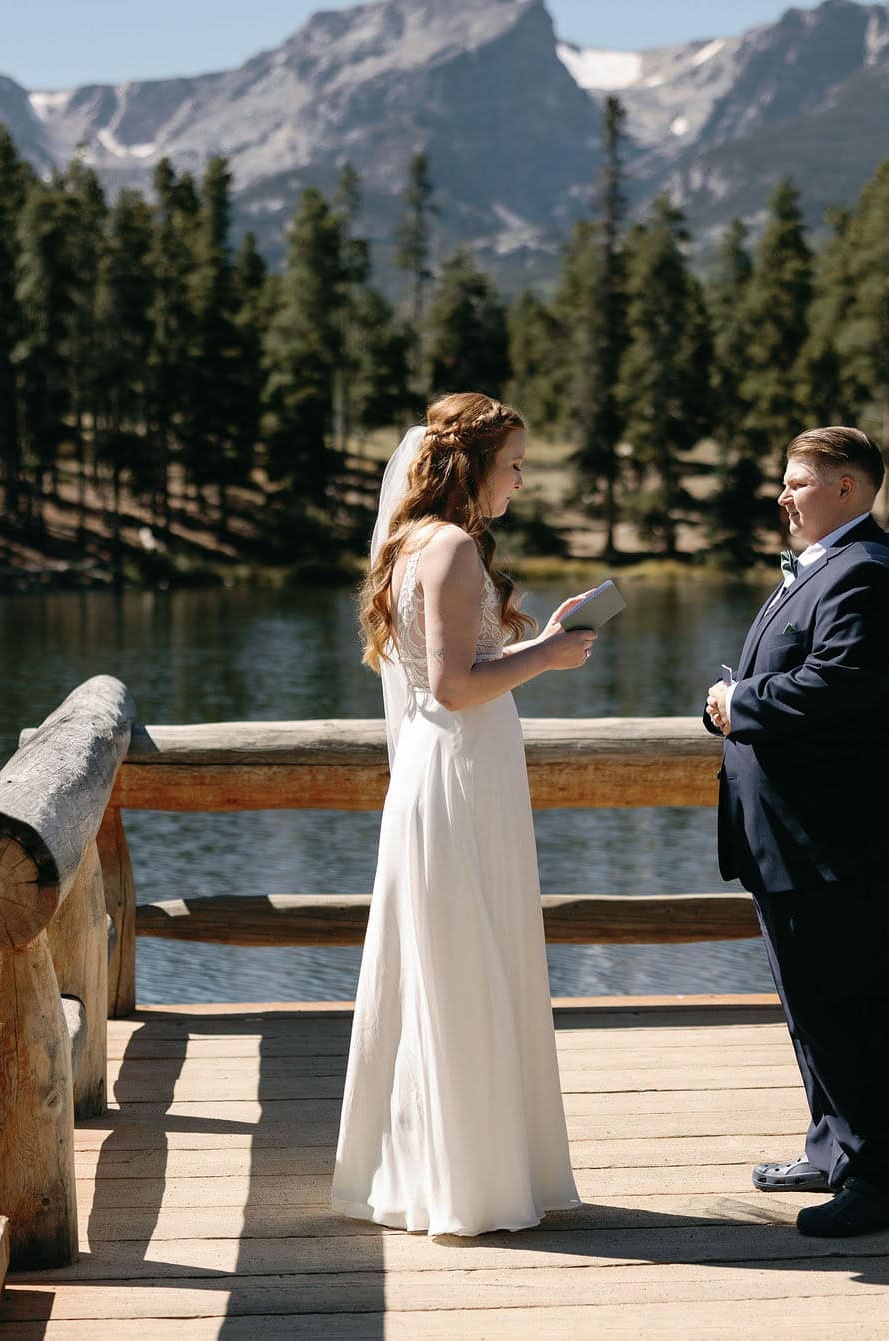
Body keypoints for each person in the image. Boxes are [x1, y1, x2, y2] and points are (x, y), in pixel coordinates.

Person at [333, 392, 599, 1236]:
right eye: (515, 463)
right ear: (474, 463)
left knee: (453, 959)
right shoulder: (447, 546)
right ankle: (467, 1184)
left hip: (448, 767)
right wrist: (550, 658)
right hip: (457, 771)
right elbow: (452, 688)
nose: (521, 479)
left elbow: (456, 663)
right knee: (465, 960)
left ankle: (447, 1168)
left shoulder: (421, 542)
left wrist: (534, 643)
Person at [703, 426, 889, 1238]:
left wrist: (741, 704)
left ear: (847, 487)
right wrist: (731, 701)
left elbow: (837, 689)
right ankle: (831, 1149)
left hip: (853, 839)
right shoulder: (824, 566)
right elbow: (795, 678)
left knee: (856, 1010)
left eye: (798, 481)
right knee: (813, 1005)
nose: (782, 495)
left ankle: (875, 1185)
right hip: (797, 835)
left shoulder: (869, 574)